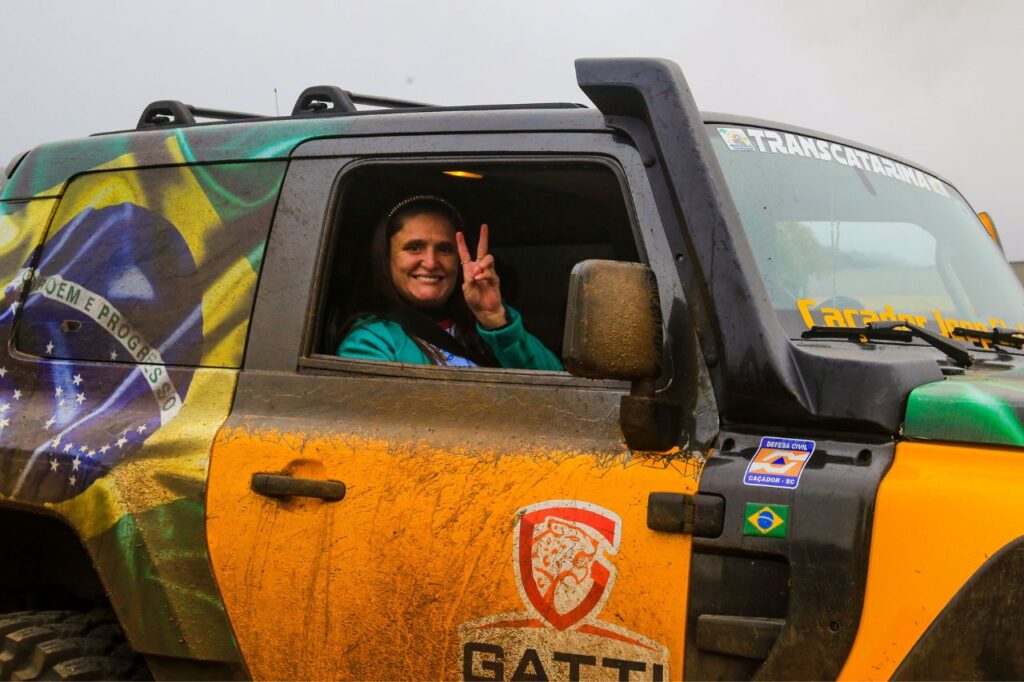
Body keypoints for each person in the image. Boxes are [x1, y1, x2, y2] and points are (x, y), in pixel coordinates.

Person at [336, 195, 562, 370]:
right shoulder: (370, 341)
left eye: (445, 249)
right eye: (414, 247)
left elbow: (558, 392)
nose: (431, 263)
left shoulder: (482, 329)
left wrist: (495, 320)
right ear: (386, 258)